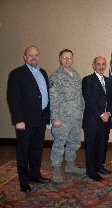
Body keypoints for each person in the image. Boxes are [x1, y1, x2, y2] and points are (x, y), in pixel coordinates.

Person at [7, 46, 51, 192]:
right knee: (23, 151)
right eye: (30, 55)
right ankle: (24, 181)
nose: (34, 57)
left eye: (36, 55)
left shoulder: (43, 72)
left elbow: (45, 95)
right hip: (24, 120)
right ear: (24, 57)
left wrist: (48, 116)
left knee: (37, 149)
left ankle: (35, 175)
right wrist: (18, 119)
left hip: (40, 118)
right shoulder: (17, 74)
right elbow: (13, 99)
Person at [49, 49, 85, 183]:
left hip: (76, 116)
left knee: (74, 142)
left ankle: (70, 165)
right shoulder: (55, 77)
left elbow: (80, 95)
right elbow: (53, 99)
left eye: (70, 57)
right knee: (59, 143)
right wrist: (56, 118)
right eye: (64, 58)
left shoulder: (75, 74)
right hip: (62, 118)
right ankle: (56, 168)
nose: (67, 60)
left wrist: (82, 109)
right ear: (60, 59)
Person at [82, 56, 112, 181]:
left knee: (102, 145)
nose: (101, 66)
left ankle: (99, 166)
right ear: (93, 65)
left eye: (103, 64)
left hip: (106, 119)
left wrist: (109, 112)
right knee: (91, 146)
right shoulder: (87, 80)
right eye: (98, 64)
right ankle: (91, 171)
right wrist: (101, 114)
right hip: (93, 120)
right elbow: (89, 100)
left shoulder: (109, 81)